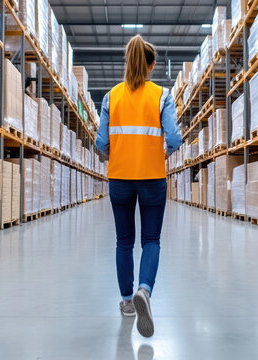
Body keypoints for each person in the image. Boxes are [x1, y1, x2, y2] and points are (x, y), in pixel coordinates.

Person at [95, 35, 182, 338]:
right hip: (152, 177)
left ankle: (126, 300)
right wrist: (160, 154)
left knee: (123, 242)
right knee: (151, 240)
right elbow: (174, 138)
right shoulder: (162, 95)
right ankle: (145, 289)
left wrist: (118, 153)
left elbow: (101, 142)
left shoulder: (111, 97)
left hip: (119, 177)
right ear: (152, 65)